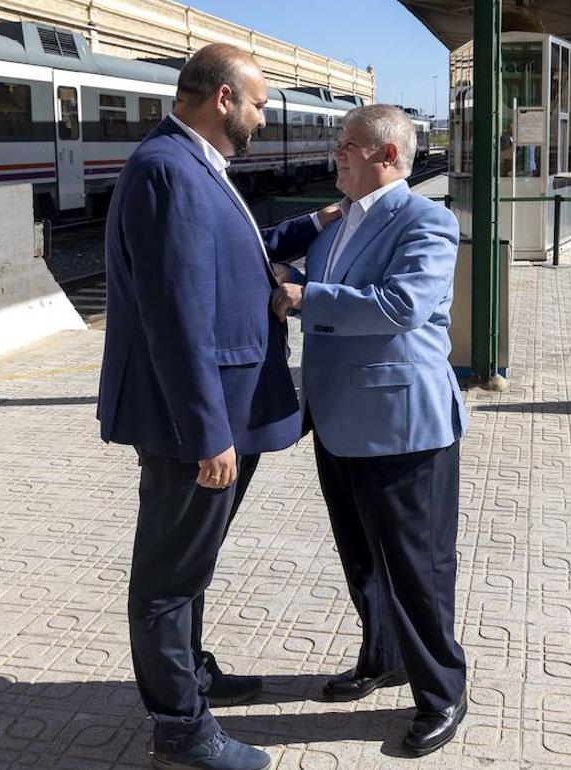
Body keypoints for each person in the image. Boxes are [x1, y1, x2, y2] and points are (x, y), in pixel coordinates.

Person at [97, 43, 337, 770]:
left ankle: (193, 678)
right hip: (193, 427)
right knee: (168, 579)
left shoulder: (195, 163)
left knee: (191, 566)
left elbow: (235, 254)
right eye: (260, 103)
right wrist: (208, 435)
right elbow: (175, 317)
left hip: (222, 415)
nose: (265, 118)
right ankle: (180, 732)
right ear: (223, 99)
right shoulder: (168, 169)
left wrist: (318, 222)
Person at [272, 103, 468, 757]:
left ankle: (441, 693)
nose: (338, 154)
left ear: (388, 155)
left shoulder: (427, 221)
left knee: (417, 568)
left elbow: (402, 305)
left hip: (403, 427)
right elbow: (325, 282)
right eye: (339, 144)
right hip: (337, 420)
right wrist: (292, 279)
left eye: (349, 144)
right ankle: (382, 654)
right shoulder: (337, 225)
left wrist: (307, 298)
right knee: (361, 559)